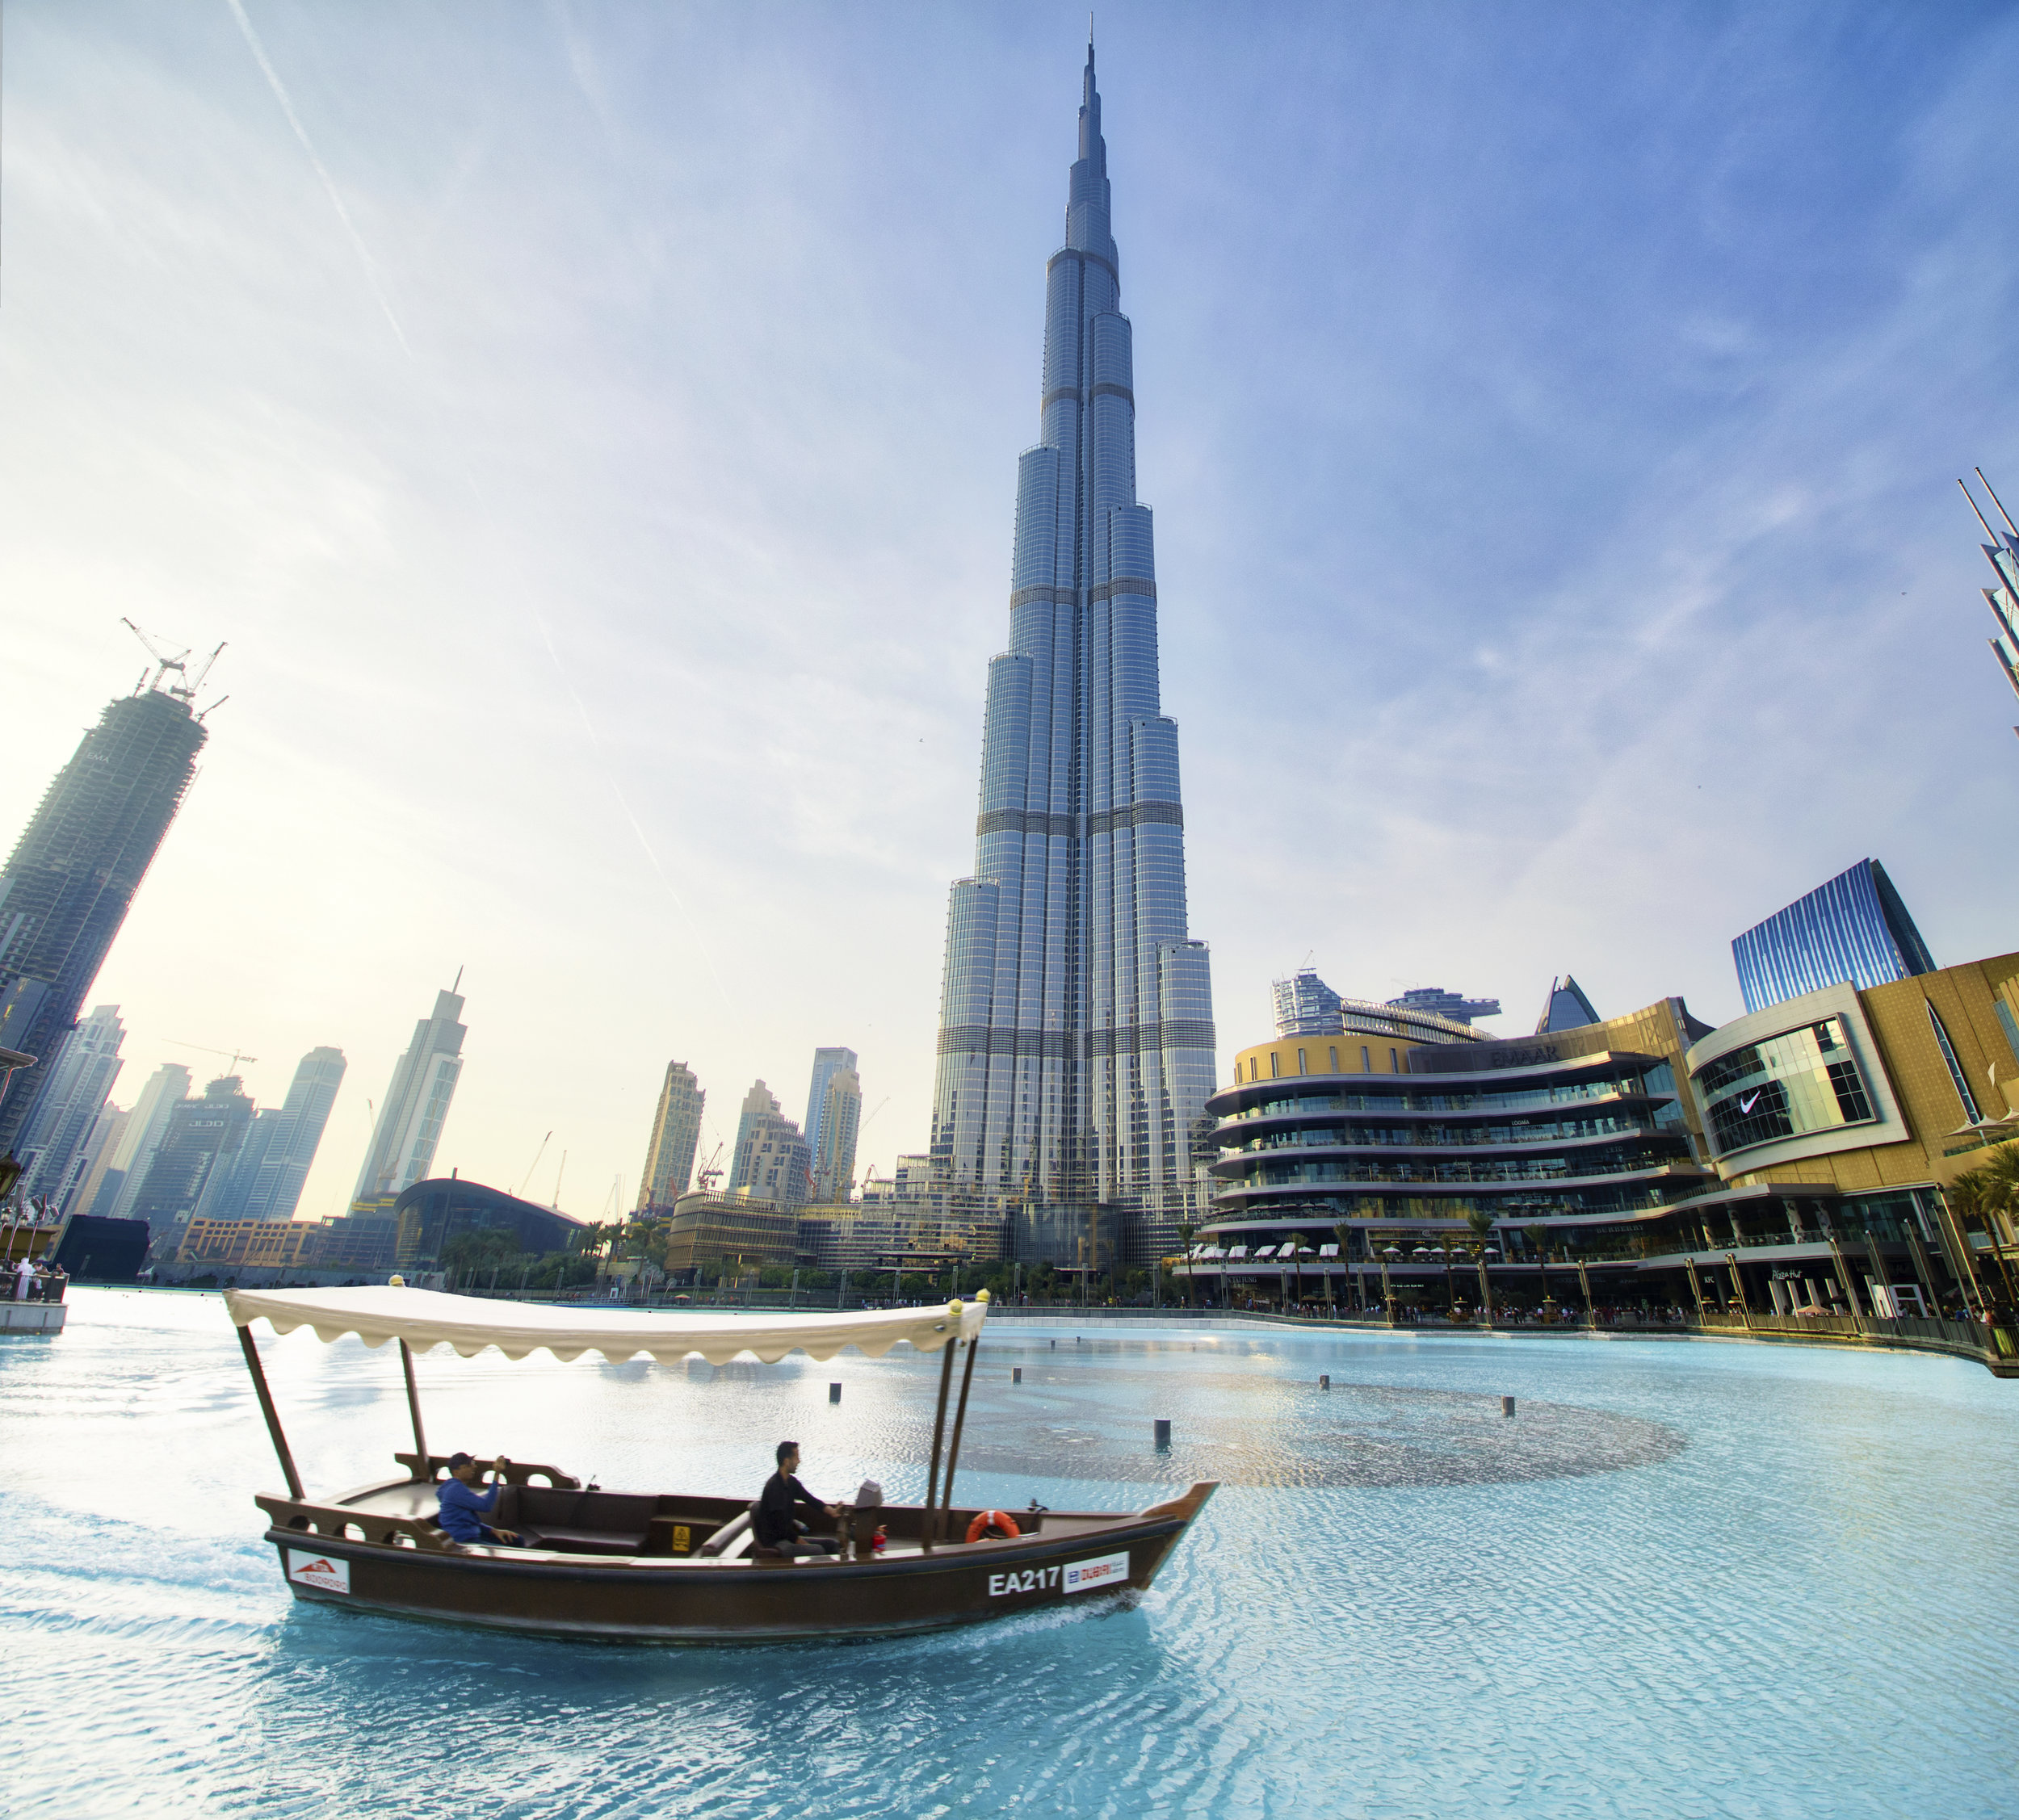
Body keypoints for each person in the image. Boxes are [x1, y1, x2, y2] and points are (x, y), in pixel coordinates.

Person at [754, 1441, 842, 1558]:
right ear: (786, 1461)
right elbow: (781, 1527)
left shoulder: (791, 1482)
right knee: (818, 1551)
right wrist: (800, 1542)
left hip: (787, 1537)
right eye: (796, 1458)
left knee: (832, 1545)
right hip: (776, 1542)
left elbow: (810, 1499)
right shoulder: (774, 1488)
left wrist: (832, 1511)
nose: (799, 1461)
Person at [436, 1452, 523, 1546]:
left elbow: (470, 1521)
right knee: (508, 1552)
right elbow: (486, 1506)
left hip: (471, 1534)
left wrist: (493, 1531)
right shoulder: (455, 1490)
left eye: (473, 1464)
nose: (474, 1467)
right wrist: (497, 1474)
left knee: (517, 1540)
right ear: (456, 1471)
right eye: (468, 1465)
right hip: (463, 1540)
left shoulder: (452, 1487)